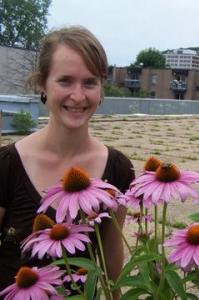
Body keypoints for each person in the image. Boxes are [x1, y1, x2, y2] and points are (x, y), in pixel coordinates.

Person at [0, 26, 134, 299]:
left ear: (101, 89)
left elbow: (110, 257)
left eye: (89, 82)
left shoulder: (118, 168)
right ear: (43, 84)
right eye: (65, 81)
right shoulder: (7, 165)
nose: (78, 95)